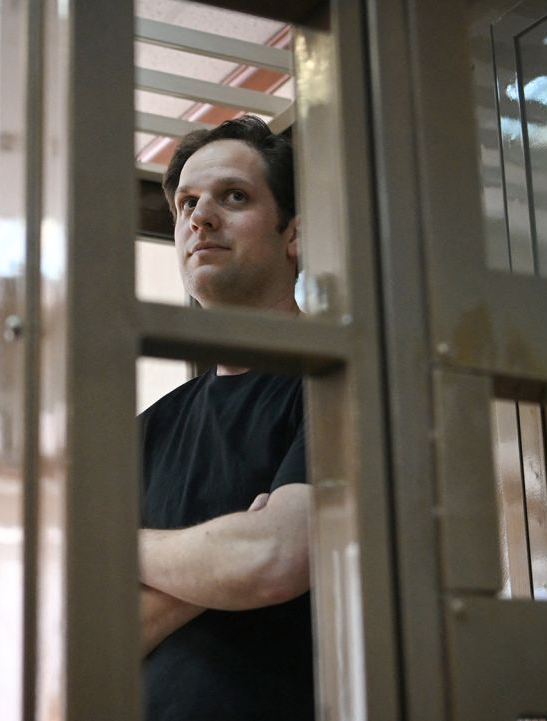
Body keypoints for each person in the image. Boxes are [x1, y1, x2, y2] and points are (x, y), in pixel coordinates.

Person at [137, 115, 314, 721]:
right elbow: (89, 629)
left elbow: (273, 562)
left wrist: (121, 549)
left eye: (233, 197)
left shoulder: (340, 385)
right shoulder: (148, 429)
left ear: (293, 234)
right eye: (187, 202)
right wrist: (232, 546)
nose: (200, 217)